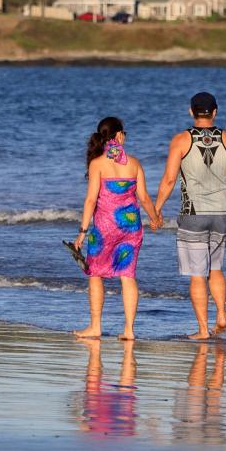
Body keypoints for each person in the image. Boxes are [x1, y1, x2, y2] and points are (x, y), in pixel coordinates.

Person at [154, 92, 226, 340]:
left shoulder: (180, 140)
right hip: (223, 214)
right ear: (215, 112)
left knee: (198, 274)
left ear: (191, 112)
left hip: (193, 214)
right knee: (216, 268)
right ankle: (221, 314)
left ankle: (202, 330)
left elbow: (169, 179)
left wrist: (157, 208)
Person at [73, 116, 162, 340]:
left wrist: (82, 232)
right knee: (127, 274)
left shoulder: (97, 163)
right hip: (131, 226)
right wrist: (155, 219)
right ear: (119, 135)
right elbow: (144, 198)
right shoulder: (134, 163)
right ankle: (129, 330)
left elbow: (90, 200)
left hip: (105, 228)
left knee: (95, 273)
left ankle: (95, 326)